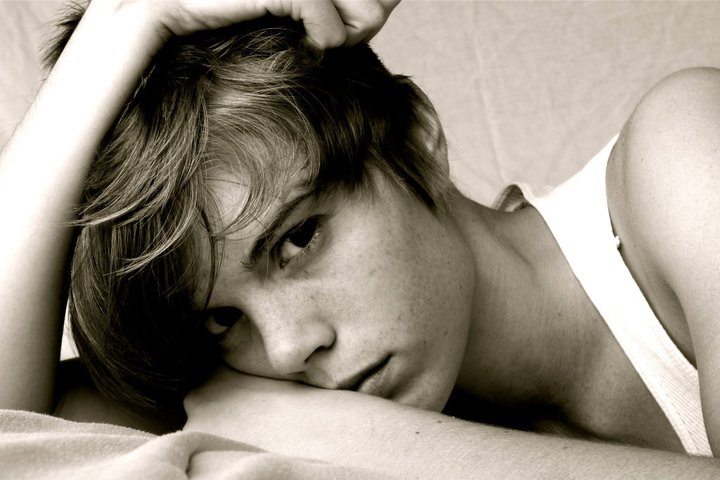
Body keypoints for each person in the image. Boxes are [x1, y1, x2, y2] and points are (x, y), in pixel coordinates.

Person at [2, 0, 720, 478]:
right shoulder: (258, 395)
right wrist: (121, 24)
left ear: (417, 138)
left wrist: (369, 444)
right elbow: (12, 435)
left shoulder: (682, 153)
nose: (288, 348)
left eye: (298, 240)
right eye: (222, 318)